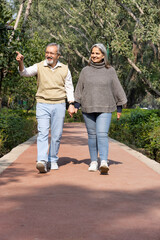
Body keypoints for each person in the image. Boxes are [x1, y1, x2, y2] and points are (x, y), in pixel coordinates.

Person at [16, 43, 75, 173]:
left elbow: (69, 88)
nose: (48, 55)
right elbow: (24, 72)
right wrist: (21, 62)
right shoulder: (39, 66)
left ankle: (53, 159)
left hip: (59, 104)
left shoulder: (65, 69)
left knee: (56, 135)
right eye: (47, 52)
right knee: (42, 132)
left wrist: (71, 103)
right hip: (42, 104)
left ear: (58, 55)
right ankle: (41, 160)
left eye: (52, 53)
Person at [74, 43, 127, 174]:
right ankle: (93, 161)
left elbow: (117, 89)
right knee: (92, 136)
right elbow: (79, 89)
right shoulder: (85, 71)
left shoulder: (110, 70)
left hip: (105, 107)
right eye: (93, 53)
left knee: (102, 135)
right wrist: (76, 105)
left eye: (97, 53)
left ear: (103, 55)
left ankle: (103, 161)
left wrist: (119, 107)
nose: (94, 55)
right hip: (88, 107)